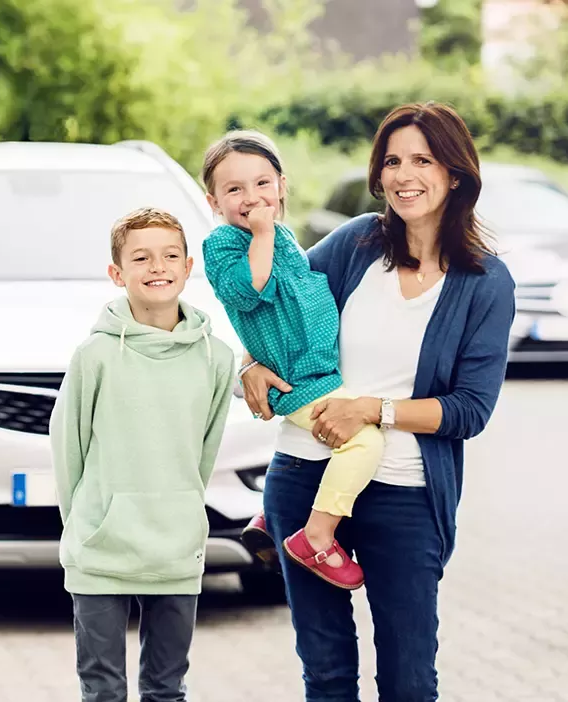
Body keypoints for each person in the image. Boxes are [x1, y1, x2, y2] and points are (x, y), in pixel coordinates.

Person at [238, 102, 516, 700]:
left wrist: (373, 410)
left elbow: (470, 409)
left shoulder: (485, 283)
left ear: (456, 173)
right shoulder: (354, 244)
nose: (403, 174)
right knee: (327, 672)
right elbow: (276, 311)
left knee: (408, 677)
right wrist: (251, 363)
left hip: (406, 494)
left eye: (422, 159)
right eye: (392, 161)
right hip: (302, 477)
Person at [50, 206, 235, 702]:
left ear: (188, 265)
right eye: (142, 258)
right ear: (117, 273)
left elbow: (204, 449)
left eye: (170, 255)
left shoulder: (216, 357)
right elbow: (69, 449)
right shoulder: (95, 355)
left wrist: (179, 507)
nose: (158, 267)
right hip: (100, 548)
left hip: (175, 548)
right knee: (103, 690)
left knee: (166, 689)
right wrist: (88, 523)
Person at [201, 130, 385, 591]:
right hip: (298, 382)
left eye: (262, 184)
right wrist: (262, 234)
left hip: (321, 370)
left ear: (282, 186)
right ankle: (317, 535)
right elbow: (252, 288)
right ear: (214, 201)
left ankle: (271, 515)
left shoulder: (283, 237)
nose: (252, 198)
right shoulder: (223, 245)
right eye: (235, 190)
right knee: (365, 445)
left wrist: (270, 234)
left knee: (344, 440)